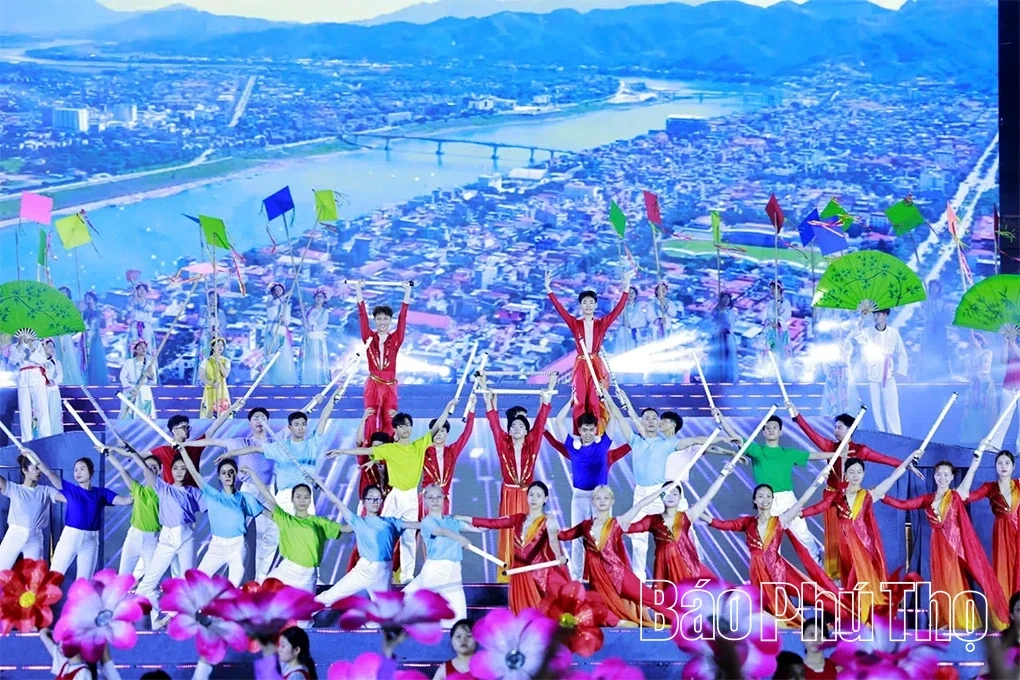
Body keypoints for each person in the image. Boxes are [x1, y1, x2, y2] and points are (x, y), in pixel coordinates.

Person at [786, 400, 922, 578]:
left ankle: (859, 572)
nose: (835, 431)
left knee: (856, 535)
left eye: (839, 427)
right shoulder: (830, 447)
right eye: (835, 427)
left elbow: (885, 459)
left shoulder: (861, 450)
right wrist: (796, 416)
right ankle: (836, 579)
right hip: (832, 497)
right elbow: (811, 433)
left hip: (853, 498)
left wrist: (907, 465)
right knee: (835, 538)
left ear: (850, 429)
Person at [876, 454, 1010, 632]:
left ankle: (966, 623)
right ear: (934, 476)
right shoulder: (927, 499)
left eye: (947, 474)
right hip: (937, 548)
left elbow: (970, 477)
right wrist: (884, 497)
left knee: (956, 582)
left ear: (952, 477)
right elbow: (904, 505)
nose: (943, 478)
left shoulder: (956, 495)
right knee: (941, 584)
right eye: (939, 474)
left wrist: (976, 460)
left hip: (955, 548)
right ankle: (946, 621)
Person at [328, 401, 456, 584]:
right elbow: (366, 449)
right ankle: (375, 569)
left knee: (409, 536)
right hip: (395, 496)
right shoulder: (389, 449)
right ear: (395, 429)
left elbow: (437, 426)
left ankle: (407, 576)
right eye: (402, 426)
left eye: (409, 425)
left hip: (412, 496)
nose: (406, 429)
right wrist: (341, 451)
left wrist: (447, 408)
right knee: (382, 532)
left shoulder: (419, 446)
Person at [782, 456, 916, 624]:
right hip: (846, 549)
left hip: (865, 548)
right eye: (851, 472)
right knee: (851, 584)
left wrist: (907, 461)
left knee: (865, 581)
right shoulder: (837, 497)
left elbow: (892, 477)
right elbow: (818, 508)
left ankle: (871, 618)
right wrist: (796, 514)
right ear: (845, 475)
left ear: (864, 474)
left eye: (859, 472)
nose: (855, 475)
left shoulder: (868, 495)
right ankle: (857, 617)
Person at [699, 482, 844, 628]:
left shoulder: (779, 520)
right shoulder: (747, 522)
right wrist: (699, 513)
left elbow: (801, 502)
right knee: (762, 605)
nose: (765, 499)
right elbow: (722, 524)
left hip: (775, 570)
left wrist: (816, 483)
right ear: (755, 500)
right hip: (756, 570)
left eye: (768, 496)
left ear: (772, 499)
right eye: (761, 496)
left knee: (780, 605)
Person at [607, 389, 718, 578]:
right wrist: (607, 394)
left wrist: (724, 443)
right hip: (641, 494)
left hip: (661, 494)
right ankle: (639, 582)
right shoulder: (635, 440)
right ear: (642, 422)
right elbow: (619, 415)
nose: (650, 420)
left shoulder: (668, 443)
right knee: (638, 539)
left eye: (653, 418)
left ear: (659, 423)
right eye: (646, 418)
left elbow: (697, 442)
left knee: (683, 532)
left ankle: (696, 571)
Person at [716, 410, 828, 563]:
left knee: (805, 538)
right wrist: (721, 417)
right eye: (767, 427)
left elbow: (813, 456)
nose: (770, 430)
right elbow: (735, 436)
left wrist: (837, 454)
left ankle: (823, 576)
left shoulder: (788, 453)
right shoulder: (757, 450)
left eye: (774, 427)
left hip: (788, 500)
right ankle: (773, 580)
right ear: (763, 432)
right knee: (770, 542)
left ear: (780, 432)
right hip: (766, 502)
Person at [557, 485, 677, 627]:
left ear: (612, 501)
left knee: (649, 597)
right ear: (593, 501)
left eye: (606, 498)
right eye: (598, 498)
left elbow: (640, 504)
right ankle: (619, 622)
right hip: (599, 578)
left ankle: (681, 620)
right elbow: (563, 536)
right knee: (594, 607)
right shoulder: (585, 526)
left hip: (619, 574)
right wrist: (549, 526)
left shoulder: (617, 522)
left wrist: (660, 492)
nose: (602, 501)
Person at [478, 371, 554, 581]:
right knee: (509, 532)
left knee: (530, 531)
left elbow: (540, 423)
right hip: (510, 494)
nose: (516, 428)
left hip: (529, 496)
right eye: (513, 426)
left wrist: (547, 395)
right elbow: (494, 425)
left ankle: (530, 573)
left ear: (526, 430)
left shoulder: (533, 443)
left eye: (521, 426)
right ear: (509, 429)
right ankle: (507, 575)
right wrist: (488, 399)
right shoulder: (503, 442)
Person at [548, 401, 631, 580]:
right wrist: (570, 403)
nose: (587, 434)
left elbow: (615, 418)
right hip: (579, 497)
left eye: (591, 430)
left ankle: (604, 574)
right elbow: (558, 421)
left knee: (603, 536)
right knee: (578, 538)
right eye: (584, 430)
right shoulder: (572, 445)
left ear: (596, 429)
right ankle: (578, 577)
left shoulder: (603, 444)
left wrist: (605, 400)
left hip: (601, 497)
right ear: (579, 430)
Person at [458, 481, 570, 613]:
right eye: (531, 495)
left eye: (538, 495)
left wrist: (558, 556)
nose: (534, 499)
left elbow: (553, 541)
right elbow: (493, 523)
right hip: (518, 572)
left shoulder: (549, 520)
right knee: (520, 612)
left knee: (539, 612)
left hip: (537, 573)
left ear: (545, 499)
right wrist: (463, 518)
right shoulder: (518, 519)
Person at [545, 268, 632, 433]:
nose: (588, 305)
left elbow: (618, 309)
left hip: (596, 365)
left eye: (591, 302)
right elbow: (560, 310)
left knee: (594, 398)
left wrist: (626, 288)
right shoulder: (575, 323)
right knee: (579, 400)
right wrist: (549, 290)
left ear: (596, 305)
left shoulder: (601, 324)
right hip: (580, 365)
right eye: (585, 302)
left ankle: (596, 432)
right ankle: (579, 433)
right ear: (580, 305)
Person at [130, 451, 204, 628]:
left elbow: (212, 506)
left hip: (186, 537)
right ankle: (143, 618)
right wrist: (134, 454)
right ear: (171, 470)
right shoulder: (163, 488)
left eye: (183, 469)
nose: (179, 472)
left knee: (187, 582)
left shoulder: (194, 492)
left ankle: (176, 619)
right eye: (176, 468)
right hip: (166, 538)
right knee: (147, 583)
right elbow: (145, 468)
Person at [242, 470, 343, 594]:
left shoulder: (319, 522)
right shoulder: (286, 519)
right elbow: (268, 496)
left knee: (306, 610)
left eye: (306, 497)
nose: (302, 500)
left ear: (310, 500)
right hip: (287, 571)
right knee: (264, 595)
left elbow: (345, 529)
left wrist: (364, 522)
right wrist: (252, 474)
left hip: (308, 575)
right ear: (292, 499)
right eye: (298, 497)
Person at [34, 455, 132, 579]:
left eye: (82, 469)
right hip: (70, 538)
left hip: (90, 541)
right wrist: (33, 456)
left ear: (91, 472)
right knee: (54, 576)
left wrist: (136, 496)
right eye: (75, 470)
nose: (78, 472)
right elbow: (49, 473)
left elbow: (124, 501)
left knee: (84, 582)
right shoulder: (71, 489)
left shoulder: (101, 493)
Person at [180, 453, 263, 586]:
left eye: (231, 472)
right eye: (224, 473)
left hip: (238, 546)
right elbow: (194, 473)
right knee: (196, 582)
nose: (228, 475)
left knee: (233, 588)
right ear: (219, 476)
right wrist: (182, 450)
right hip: (216, 547)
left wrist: (291, 523)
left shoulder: (245, 498)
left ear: (236, 474)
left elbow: (270, 514)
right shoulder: (213, 495)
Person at [315, 484, 404, 607]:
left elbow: (415, 525)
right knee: (329, 597)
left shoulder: (390, 522)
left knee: (381, 613)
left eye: (378, 498)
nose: (375, 501)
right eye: (371, 498)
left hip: (384, 572)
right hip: (365, 569)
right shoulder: (358, 521)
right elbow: (336, 502)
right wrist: (319, 483)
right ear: (364, 502)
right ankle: (298, 618)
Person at [619, 481, 716, 591]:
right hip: (665, 569)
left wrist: (724, 474)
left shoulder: (687, 516)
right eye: (666, 493)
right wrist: (654, 495)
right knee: (667, 603)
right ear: (661, 496)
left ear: (680, 498)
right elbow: (628, 527)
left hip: (688, 566)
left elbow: (709, 496)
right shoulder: (652, 520)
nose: (670, 496)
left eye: (674, 494)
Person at [402, 484, 472, 627]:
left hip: (454, 573)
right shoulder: (427, 522)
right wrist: (460, 539)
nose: (435, 500)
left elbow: (478, 528)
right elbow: (441, 532)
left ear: (443, 499)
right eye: (430, 497)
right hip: (435, 571)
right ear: (425, 501)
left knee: (459, 618)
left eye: (438, 497)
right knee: (428, 614)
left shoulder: (451, 521)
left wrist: (503, 523)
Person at [355, 279, 412, 439]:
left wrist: (407, 293)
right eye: (379, 319)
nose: (382, 322)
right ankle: (368, 455)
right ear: (375, 320)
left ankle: (387, 456)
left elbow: (403, 318)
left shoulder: (395, 339)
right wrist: (358, 290)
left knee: (390, 418)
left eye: (386, 319)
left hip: (390, 386)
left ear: (390, 321)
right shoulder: (368, 337)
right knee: (371, 418)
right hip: (373, 383)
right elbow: (362, 316)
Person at [966, 450, 1020, 599]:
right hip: (1002, 534)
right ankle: (1006, 614)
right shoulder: (990, 487)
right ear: (995, 466)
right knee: (1003, 571)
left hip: (1018, 534)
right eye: (1000, 463)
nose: (1003, 466)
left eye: (1007, 463)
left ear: (1013, 467)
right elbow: (967, 497)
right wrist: (974, 466)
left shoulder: (1019, 484)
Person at [104, 449, 162, 579]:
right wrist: (109, 454)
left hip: (152, 539)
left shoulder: (164, 491)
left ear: (160, 470)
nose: (150, 470)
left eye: (154, 467)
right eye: (147, 467)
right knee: (123, 576)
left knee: (152, 579)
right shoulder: (138, 489)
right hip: (134, 536)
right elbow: (122, 470)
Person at [0, 453, 61, 570]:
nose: (39, 471)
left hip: (35, 537)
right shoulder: (14, 489)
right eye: (35, 468)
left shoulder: (46, 491)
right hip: (14, 535)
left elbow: (64, 496)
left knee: (36, 575)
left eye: (39, 468)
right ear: (24, 470)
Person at [421, 393, 477, 517]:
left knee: (441, 533)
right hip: (426, 499)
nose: (439, 434)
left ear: (447, 434)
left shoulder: (452, 451)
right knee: (423, 531)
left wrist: (471, 411)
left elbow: (466, 434)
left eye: (442, 431)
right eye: (436, 431)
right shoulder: (424, 452)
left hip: (443, 500)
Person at [854, 307, 907, 435]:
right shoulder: (868, 332)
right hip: (873, 371)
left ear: (885, 316)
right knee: (876, 407)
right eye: (875, 314)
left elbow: (901, 353)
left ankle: (895, 434)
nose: (876, 317)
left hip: (888, 373)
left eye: (879, 314)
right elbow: (857, 335)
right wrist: (862, 317)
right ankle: (881, 433)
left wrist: (900, 371)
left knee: (891, 406)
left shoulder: (893, 333)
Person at [13, 329, 51, 441]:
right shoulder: (14, 346)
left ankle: (45, 437)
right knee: (24, 410)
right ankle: (26, 439)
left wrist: (31, 346)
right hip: (23, 378)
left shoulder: (37, 344)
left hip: (36, 377)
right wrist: (20, 345)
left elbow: (42, 360)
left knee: (41, 408)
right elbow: (13, 360)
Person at [961, 332, 997, 443]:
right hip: (973, 386)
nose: (973, 342)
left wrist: (977, 348)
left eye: (977, 340)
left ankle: (986, 439)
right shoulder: (967, 356)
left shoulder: (987, 353)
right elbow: (968, 372)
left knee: (986, 411)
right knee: (971, 412)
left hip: (985, 385)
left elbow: (984, 369)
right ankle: (971, 438)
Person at [989, 329, 1020, 453]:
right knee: (1003, 417)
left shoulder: (1015, 344)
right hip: (1008, 385)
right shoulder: (1012, 342)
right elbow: (1003, 360)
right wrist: (1006, 342)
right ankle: (994, 445)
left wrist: (1012, 343)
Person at [264, 281, 298, 385]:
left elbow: (288, 320)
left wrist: (284, 320)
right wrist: (287, 295)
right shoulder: (270, 301)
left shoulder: (286, 304)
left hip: (281, 330)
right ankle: (271, 379)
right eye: (276, 290)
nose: (278, 292)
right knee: (271, 352)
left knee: (283, 354)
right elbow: (275, 303)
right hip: (272, 330)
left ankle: (283, 378)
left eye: (280, 290)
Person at [193, 289, 226, 387]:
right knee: (204, 357)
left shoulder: (220, 312)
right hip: (205, 337)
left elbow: (223, 327)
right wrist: (206, 316)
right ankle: (202, 380)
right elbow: (200, 323)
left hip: (215, 338)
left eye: (214, 298)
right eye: (210, 298)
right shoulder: (203, 309)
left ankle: (215, 380)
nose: (212, 300)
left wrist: (216, 332)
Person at [759, 280, 792, 379]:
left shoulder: (785, 302)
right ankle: (771, 376)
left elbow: (787, 316)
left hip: (781, 331)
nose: (772, 291)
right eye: (771, 289)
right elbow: (765, 316)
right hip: (771, 331)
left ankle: (783, 375)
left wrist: (779, 314)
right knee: (771, 353)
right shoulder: (770, 303)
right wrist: (770, 322)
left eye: (774, 288)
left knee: (782, 353)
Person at [920, 279, 951, 381]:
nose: (934, 289)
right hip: (928, 328)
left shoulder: (943, 303)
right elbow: (922, 314)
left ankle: (944, 373)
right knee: (927, 350)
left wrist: (939, 318)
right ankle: (925, 374)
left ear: (939, 289)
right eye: (932, 287)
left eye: (936, 287)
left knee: (941, 351)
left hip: (940, 329)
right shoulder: (926, 301)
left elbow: (947, 317)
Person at [118, 339, 157, 420]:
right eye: (140, 347)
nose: (143, 349)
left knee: (145, 411)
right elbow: (122, 377)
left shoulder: (150, 363)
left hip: (145, 390)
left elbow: (153, 382)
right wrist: (129, 388)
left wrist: (151, 374)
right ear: (135, 350)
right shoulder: (129, 362)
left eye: (145, 347)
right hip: (131, 389)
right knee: (129, 411)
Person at [54, 286, 84, 387]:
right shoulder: (55, 306)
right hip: (56, 333)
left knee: (67, 354)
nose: (63, 294)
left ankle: (69, 377)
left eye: (65, 292)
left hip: (65, 334)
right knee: (57, 354)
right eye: (61, 292)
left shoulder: (70, 306)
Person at [301, 288, 331, 385]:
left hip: (317, 337)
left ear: (324, 299)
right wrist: (305, 325)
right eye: (317, 296)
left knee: (317, 358)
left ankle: (318, 379)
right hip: (308, 336)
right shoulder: (309, 309)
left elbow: (323, 325)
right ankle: (306, 379)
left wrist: (312, 327)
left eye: (321, 297)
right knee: (307, 358)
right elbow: (304, 321)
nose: (319, 299)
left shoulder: (324, 312)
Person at [707, 291, 738, 383]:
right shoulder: (714, 311)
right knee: (717, 357)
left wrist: (722, 313)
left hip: (728, 338)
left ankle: (728, 380)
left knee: (729, 359)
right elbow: (711, 322)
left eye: (727, 298)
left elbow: (729, 324)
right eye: (723, 298)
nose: (725, 300)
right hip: (718, 337)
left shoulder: (732, 312)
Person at [82, 291, 108, 385]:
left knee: (94, 358)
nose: (87, 300)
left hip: (94, 337)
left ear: (94, 300)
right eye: (86, 298)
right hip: (84, 336)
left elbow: (97, 324)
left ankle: (95, 380)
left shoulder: (98, 312)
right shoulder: (84, 312)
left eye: (89, 298)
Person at [614, 285, 645, 353]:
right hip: (623, 332)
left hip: (634, 332)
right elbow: (619, 317)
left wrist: (631, 325)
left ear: (636, 295)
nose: (630, 294)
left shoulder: (638, 307)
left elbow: (643, 322)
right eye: (629, 293)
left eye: (633, 293)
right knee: (621, 351)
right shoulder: (622, 306)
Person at [43, 338, 64, 435]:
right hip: (42, 391)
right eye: (49, 346)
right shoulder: (38, 362)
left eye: (53, 347)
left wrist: (53, 381)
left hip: (54, 390)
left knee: (55, 412)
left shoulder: (56, 362)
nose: (51, 349)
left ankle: (56, 432)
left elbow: (60, 376)